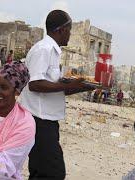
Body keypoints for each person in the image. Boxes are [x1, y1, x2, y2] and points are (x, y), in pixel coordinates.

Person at [19, 10, 94, 179]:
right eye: (69, 30)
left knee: (41, 171)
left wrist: (85, 87)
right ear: (60, 30)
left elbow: (57, 88)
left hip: (48, 121)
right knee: (53, 173)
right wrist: (65, 84)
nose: (70, 34)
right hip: (39, 120)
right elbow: (35, 84)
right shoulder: (44, 49)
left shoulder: (52, 51)